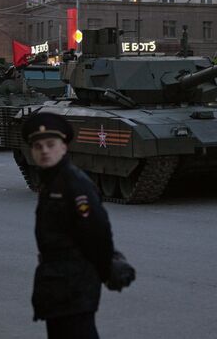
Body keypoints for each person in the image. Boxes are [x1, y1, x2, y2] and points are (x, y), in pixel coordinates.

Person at [21, 112, 134, 339]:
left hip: (75, 284)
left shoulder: (74, 183)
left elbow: (98, 234)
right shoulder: (51, 181)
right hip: (59, 284)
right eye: (38, 146)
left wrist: (103, 271)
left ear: (64, 147)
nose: (44, 151)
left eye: (51, 145)